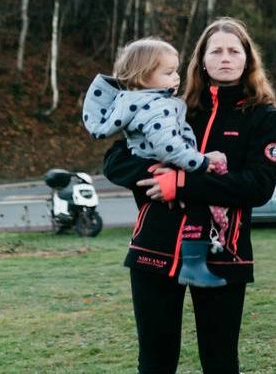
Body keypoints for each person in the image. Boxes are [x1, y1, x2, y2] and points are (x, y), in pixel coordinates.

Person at [102, 17, 276, 373]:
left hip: (222, 254)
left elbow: (257, 186)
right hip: (155, 247)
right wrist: (157, 176)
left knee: (220, 362)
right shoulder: (170, 105)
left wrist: (182, 184)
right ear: (201, 59)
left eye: (234, 51)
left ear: (248, 59)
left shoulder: (263, 116)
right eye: (216, 51)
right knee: (155, 361)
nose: (225, 57)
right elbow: (115, 160)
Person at [83, 37, 229, 288]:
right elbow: (168, 146)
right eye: (168, 73)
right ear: (142, 77)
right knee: (197, 207)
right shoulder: (156, 107)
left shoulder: (135, 102)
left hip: (157, 171)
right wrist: (201, 162)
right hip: (166, 167)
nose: (176, 78)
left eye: (176, 71)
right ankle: (194, 264)